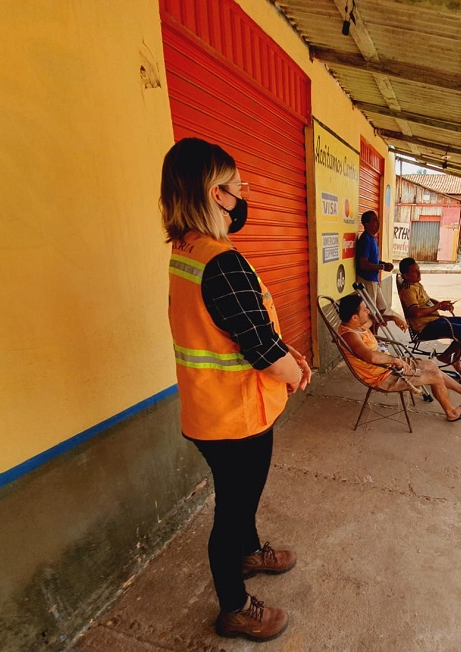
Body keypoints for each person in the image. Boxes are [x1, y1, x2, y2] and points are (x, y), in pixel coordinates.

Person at [161, 138, 311, 641]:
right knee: (232, 511)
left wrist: (286, 354)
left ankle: (249, 552)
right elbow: (261, 348)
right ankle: (235, 607)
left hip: (211, 411)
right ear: (215, 194)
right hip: (235, 419)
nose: (242, 196)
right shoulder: (221, 262)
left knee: (238, 503)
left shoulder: (187, 250)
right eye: (237, 187)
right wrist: (297, 372)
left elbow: (243, 328)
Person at [337, 294, 461, 422]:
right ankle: (451, 412)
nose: (368, 311)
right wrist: (394, 360)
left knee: (431, 365)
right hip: (382, 376)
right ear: (354, 317)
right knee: (435, 377)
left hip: (389, 367)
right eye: (364, 310)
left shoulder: (357, 325)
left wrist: (394, 318)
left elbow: (376, 319)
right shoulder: (350, 335)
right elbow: (370, 356)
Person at [397, 257, 461, 381]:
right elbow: (416, 312)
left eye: (418, 269)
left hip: (434, 320)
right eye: (415, 271)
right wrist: (438, 306)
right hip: (425, 327)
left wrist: (441, 305)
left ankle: (449, 357)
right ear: (406, 275)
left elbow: (427, 300)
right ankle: (451, 358)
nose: (419, 273)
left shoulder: (416, 284)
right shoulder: (408, 290)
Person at [356, 210, 407, 331]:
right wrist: (382, 267)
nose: (377, 223)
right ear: (366, 224)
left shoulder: (373, 239)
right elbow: (363, 264)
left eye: (377, 220)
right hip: (367, 280)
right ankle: (370, 337)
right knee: (371, 313)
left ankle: (375, 335)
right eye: (374, 220)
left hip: (373, 280)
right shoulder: (365, 240)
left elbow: (372, 260)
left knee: (382, 308)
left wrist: (383, 264)